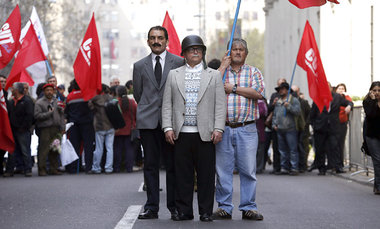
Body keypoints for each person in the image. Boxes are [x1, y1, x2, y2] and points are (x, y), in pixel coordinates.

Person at [162, 35, 226, 222]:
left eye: (199, 49)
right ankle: (184, 211)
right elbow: (167, 104)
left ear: (203, 53)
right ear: (184, 53)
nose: (195, 52)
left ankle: (206, 212)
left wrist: (218, 129)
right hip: (181, 133)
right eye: (191, 49)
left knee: (206, 176)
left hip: (205, 134)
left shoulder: (213, 75)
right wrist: (167, 127)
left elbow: (220, 105)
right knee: (183, 175)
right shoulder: (174, 74)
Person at [133, 26, 184, 220]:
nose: (156, 41)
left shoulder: (179, 62)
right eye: (153, 38)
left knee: (173, 166)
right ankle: (151, 207)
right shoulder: (139, 66)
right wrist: (149, 109)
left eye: (160, 38)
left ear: (166, 40)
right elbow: (138, 94)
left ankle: (174, 208)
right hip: (148, 123)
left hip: (171, 122)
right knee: (150, 166)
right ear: (148, 41)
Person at [213, 38, 265, 221]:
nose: (237, 52)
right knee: (223, 170)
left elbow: (258, 93)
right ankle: (224, 207)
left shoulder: (254, 72)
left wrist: (233, 88)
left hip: (247, 128)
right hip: (224, 128)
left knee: (248, 170)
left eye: (241, 49)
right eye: (234, 49)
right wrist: (221, 66)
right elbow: (210, 88)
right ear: (228, 52)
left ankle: (249, 207)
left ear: (246, 53)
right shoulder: (220, 73)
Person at [309, 82, 353, 175]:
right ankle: (322, 168)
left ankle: (338, 167)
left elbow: (348, 102)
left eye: (327, 87)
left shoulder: (337, 97)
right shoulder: (318, 99)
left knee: (335, 147)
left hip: (333, 127)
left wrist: (349, 106)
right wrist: (314, 126)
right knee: (320, 148)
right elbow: (312, 114)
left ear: (331, 88)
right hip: (320, 128)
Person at [3, 83, 34, 177]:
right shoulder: (11, 102)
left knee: (25, 150)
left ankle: (28, 169)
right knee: (11, 151)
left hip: (23, 130)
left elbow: (29, 116)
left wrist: (23, 128)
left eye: (12, 88)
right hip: (12, 130)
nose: (11, 90)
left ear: (16, 90)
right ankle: (10, 170)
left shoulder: (27, 101)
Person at [34, 83, 65, 176]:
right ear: (44, 92)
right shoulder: (39, 102)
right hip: (45, 129)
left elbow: (62, 115)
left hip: (56, 128)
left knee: (55, 149)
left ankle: (53, 168)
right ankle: (42, 169)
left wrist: (63, 127)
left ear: (54, 91)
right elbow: (37, 116)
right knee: (43, 150)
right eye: (47, 90)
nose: (49, 92)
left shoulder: (57, 101)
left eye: (51, 90)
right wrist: (48, 114)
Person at [65, 79, 95, 174]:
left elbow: (67, 112)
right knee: (88, 146)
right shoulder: (87, 94)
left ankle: (74, 168)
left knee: (74, 146)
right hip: (87, 124)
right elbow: (92, 108)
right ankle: (88, 167)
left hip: (74, 124)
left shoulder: (70, 96)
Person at [272, 82, 301, 175]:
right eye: (280, 89)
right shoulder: (278, 101)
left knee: (292, 149)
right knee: (282, 150)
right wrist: (274, 124)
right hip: (280, 129)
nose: (281, 90)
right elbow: (275, 114)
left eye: (283, 89)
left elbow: (297, 112)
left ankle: (294, 168)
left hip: (290, 129)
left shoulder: (294, 100)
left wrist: (288, 106)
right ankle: (284, 167)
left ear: (288, 90)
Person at [88, 84, 114, 174]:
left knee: (99, 148)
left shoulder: (95, 99)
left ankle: (96, 168)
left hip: (100, 126)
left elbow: (90, 106)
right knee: (109, 148)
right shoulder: (111, 98)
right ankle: (108, 168)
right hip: (111, 125)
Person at [113, 86, 137, 173]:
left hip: (118, 130)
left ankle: (117, 167)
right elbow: (136, 113)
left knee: (117, 149)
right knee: (129, 149)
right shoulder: (131, 102)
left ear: (117, 93)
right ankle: (129, 168)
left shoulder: (115, 102)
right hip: (130, 129)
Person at [362, 81, 380, 195]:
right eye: (375, 90)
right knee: (378, 161)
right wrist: (373, 101)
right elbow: (371, 114)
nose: (377, 93)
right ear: (370, 91)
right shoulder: (367, 101)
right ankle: (378, 186)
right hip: (372, 136)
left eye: (379, 90)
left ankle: (376, 185)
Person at [267, 78, 287, 174]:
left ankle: (287, 167)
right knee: (276, 147)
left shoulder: (290, 95)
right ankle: (276, 167)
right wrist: (273, 104)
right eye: (279, 86)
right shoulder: (274, 95)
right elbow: (269, 109)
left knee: (287, 148)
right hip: (275, 126)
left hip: (287, 126)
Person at [291, 85, 311, 172]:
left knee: (302, 147)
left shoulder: (304, 102)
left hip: (302, 129)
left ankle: (303, 165)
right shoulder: (289, 102)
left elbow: (309, 115)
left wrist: (306, 124)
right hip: (292, 128)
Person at [335, 83, 352, 168]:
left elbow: (350, 102)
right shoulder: (334, 98)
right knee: (334, 144)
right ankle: (334, 163)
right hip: (334, 123)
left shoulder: (346, 98)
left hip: (342, 123)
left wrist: (346, 96)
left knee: (340, 144)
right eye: (339, 88)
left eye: (343, 88)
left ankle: (339, 164)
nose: (341, 90)